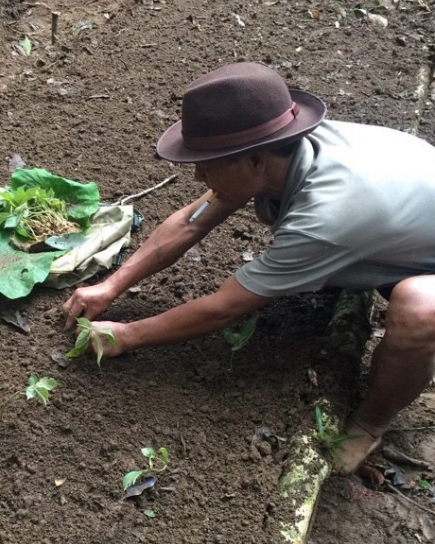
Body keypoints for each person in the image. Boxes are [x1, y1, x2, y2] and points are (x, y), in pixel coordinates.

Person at [63, 61, 435, 475]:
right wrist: (110, 286)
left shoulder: (326, 218)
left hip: (418, 256)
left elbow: (225, 307)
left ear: (256, 162)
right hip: (410, 223)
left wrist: (127, 335)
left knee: (419, 311)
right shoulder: (285, 150)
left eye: (207, 165)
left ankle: (371, 422)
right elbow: (193, 219)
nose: (199, 176)